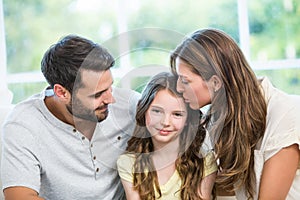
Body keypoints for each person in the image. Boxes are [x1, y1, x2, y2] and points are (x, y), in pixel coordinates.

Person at [1, 35, 140, 200]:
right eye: (98, 94)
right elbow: (20, 197)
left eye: (110, 86)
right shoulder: (23, 125)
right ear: (61, 92)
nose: (111, 99)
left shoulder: (130, 105)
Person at [170, 28, 300, 199]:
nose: (178, 87)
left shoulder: (285, 115)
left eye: (185, 81)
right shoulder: (223, 119)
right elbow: (230, 188)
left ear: (215, 82)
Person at [117, 72, 217, 200]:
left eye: (177, 114)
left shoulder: (204, 161)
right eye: (157, 111)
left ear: (188, 119)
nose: (165, 122)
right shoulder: (129, 163)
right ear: (144, 111)